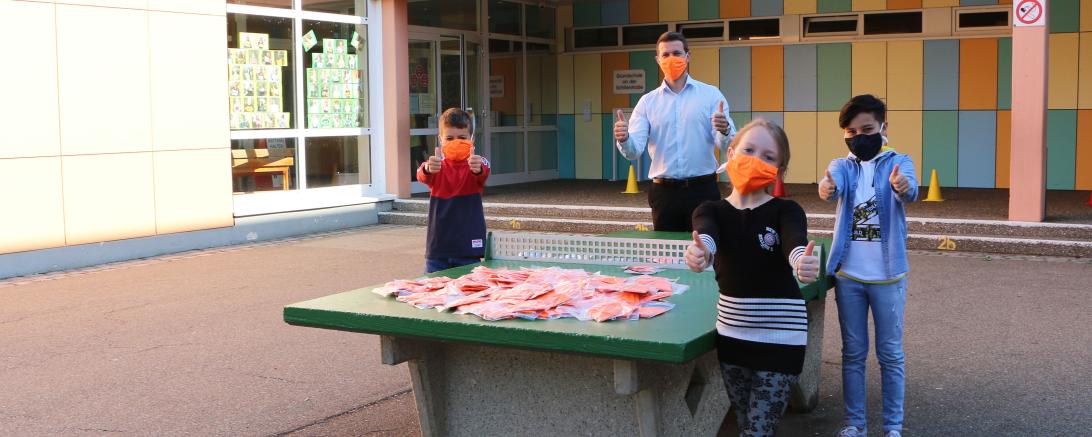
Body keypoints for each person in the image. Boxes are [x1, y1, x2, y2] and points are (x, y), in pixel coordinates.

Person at [685, 119, 820, 437]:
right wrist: (701, 253)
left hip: (782, 338)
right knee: (745, 422)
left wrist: (803, 263)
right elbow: (707, 238)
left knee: (757, 430)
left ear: (779, 170)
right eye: (748, 150)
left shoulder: (786, 211)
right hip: (733, 337)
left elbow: (795, 245)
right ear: (730, 153)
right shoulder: (710, 210)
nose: (756, 160)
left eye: (768, 157)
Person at [818, 95, 918, 437]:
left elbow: (911, 190)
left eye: (867, 129)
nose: (859, 137)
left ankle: (892, 426)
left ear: (883, 128)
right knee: (853, 354)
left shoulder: (899, 162)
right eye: (851, 131)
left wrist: (902, 186)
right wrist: (826, 187)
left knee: (890, 354)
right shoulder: (842, 165)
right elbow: (831, 188)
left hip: (888, 276)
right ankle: (855, 423)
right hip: (849, 276)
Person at [615, 31, 736, 232]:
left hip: (703, 190)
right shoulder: (647, 102)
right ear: (658, 60)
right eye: (665, 55)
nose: (671, 59)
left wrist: (725, 130)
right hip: (664, 193)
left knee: (705, 251)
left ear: (687, 56)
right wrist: (625, 138)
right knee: (666, 256)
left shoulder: (710, 95)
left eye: (677, 53)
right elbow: (634, 150)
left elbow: (726, 145)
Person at [416, 108, 490, 273]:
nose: (456, 142)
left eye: (462, 138)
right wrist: (428, 167)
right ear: (440, 139)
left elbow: (483, 172)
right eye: (449, 138)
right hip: (438, 251)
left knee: (469, 295)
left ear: (471, 139)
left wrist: (478, 169)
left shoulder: (476, 164)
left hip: (468, 250)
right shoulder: (436, 166)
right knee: (434, 295)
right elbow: (422, 174)